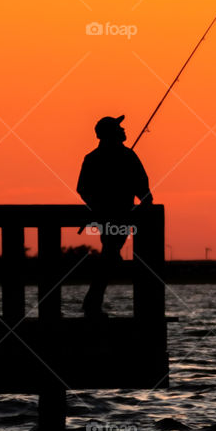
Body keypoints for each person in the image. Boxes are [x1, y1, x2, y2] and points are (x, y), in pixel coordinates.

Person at [76, 115, 152, 318]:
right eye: (120, 127)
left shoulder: (92, 158)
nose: (124, 130)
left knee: (110, 254)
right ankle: (92, 303)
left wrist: (98, 207)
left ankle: (92, 303)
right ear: (111, 133)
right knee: (110, 255)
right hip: (121, 218)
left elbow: (82, 189)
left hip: (104, 219)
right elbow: (144, 191)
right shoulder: (128, 156)